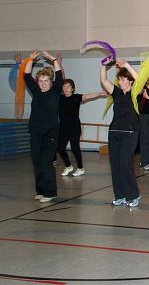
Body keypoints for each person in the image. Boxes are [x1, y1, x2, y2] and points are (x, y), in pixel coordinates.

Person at [100, 58, 141, 207]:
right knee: (115, 165)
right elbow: (103, 80)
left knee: (125, 164)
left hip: (130, 132)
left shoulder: (135, 93)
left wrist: (127, 66)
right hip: (114, 132)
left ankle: (133, 195)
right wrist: (103, 66)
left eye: (123, 79)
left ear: (130, 81)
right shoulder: (117, 93)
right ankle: (120, 195)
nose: (120, 82)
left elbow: (140, 79)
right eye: (119, 79)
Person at [24, 50, 63, 203]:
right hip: (35, 132)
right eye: (40, 81)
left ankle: (51, 192)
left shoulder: (55, 91)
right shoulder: (36, 91)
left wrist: (53, 59)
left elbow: (59, 75)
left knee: (46, 162)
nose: (43, 84)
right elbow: (26, 75)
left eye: (46, 81)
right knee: (36, 161)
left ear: (50, 82)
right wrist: (30, 59)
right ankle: (40, 190)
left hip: (51, 134)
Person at [58, 79, 105, 177]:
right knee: (60, 148)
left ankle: (80, 168)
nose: (66, 88)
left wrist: (99, 93)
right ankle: (68, 166)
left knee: (75, 148)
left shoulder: (76, 97)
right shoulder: (59, 98)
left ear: (72, 89)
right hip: (63, 127)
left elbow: (87, 96)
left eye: (68, 86)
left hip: (74, 127)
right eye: (64, 86)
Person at [137, 75, 149, 171]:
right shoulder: (142, 89)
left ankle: (147, 161)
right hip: (144, 116)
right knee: (145, 139)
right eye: (148, 77)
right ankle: (145, 162)